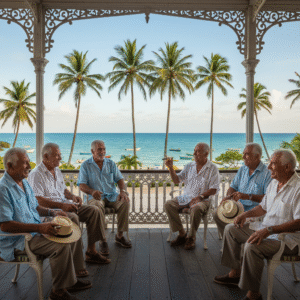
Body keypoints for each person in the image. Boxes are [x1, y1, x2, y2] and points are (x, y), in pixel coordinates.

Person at [0, 148, 92, 300]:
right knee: (61, 245)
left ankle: (69, 282)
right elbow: (5, 226)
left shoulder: (24, 182)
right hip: (19, 240)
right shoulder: (3, 189)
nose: (29, 166)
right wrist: (39, 227)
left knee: (69, 231)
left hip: (35, 231)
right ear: (10, 166)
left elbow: (35, 206)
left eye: (28, 162)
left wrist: (52, 213)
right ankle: (58, 293)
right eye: (25, 163)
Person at [214, 149, 300, 300]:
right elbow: (263, 207)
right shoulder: (274, 183)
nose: (268, 167)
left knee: (252, 246)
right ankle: (235, 273)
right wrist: (244, 215)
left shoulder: (298, 189)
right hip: (265, 230)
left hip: (287, 240)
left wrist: (269, 230)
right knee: (231, 229)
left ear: (287, 167)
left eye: (273, 163)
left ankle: (253, 294)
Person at [28, 143, 111, 264]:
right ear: (45, 156)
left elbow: (63, 190)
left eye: (60, 155)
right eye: (57, 156)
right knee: (73, 217)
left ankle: (91, 252)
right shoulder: (36, 174)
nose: (60, 158)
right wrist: (61, 206)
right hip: (51, 213)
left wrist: (73, 196)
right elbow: (38, 200)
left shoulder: (56, 170)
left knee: (94, 210)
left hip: (65, 206)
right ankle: (76, 264)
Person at [78, 140, 131, 255]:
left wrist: (122, 191)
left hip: (111, 195)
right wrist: (92, 191)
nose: (102, 152)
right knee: (97, 206)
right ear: (92, 151)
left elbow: (120, 179)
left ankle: (120, 236)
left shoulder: (110, 163)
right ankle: (103, 240)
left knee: (125, 201)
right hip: (95, 197)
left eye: (104, 149)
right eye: (99, 149)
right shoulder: (85, 165)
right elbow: (81, 185)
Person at [164, 142, 220, 250]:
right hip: (186, 198)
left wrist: (200, 197)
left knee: (196, 208)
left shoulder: (212, 168)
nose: (194, 153)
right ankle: (182, 233)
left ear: (206, 153)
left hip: (203, 200)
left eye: (197, 151)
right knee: (168, 205)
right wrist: (170, 168)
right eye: (194, 151)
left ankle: (191, 237)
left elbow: (214, 189)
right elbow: (176, 180)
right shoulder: (189, 166)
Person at [213, 143, 272, 238]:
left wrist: (247, 196)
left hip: (254, 212)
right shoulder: (243, 169)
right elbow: (233, 187)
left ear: (257, 156)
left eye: (246, 154)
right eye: (243, 153)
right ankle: (230, 239)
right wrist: (229, 197)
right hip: (237, 208)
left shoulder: (267, 173)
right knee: (216, 213)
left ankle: (235, 239)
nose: (243, 157)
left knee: (231, 227)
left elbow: (267, 199)